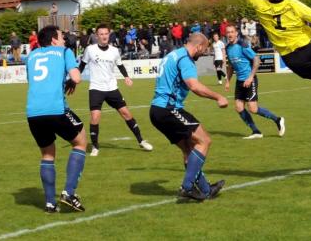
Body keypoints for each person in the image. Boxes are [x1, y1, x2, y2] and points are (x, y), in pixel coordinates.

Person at [149, 33, 228, 201]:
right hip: (168, 109)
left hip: (157, 110)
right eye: (204, 50)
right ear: (198, 46)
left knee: (189, 150)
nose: (204, 53)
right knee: (204, 141)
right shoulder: (185, 58)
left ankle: (206, 190)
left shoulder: (173, 54)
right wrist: (218, 97)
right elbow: (194, 86)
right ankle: (187, 187)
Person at [26, 25, 88, 213]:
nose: (63, 40)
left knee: (47, 154)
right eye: (61, 37)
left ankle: (50, 203)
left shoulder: (31, 56)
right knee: (80, 142)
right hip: (56, 108)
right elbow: (76, 78)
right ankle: (69, 192)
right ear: (53, 40)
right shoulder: (64, 51)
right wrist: (70, 80)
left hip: (33, 112)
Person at [79, 24, 154, 156]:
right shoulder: (90, 49)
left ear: (109, 35)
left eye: (105, 34)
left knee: (126, 113)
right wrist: (75, 78)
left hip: (112, 88)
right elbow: (82, 65)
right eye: (100, 34)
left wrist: (126, 77)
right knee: (95, 117)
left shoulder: (114, 51)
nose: (103, 36)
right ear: (97, 36)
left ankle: (141, 140)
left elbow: (120, 65)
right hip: (96, 88)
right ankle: (95, 147)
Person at [224, 25, 285, 139]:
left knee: (253, 109)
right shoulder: (228, 48)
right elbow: (231, 66)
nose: (230, 34)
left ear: (236, 33)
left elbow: (256, 59)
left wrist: (251, 77)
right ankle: (256, 131)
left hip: (250, 80)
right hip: (240, 81)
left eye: (232, 32)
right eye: (228, 32)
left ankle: (278, 119)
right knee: (239, 107)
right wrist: (227, 80)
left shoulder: (243, 45)